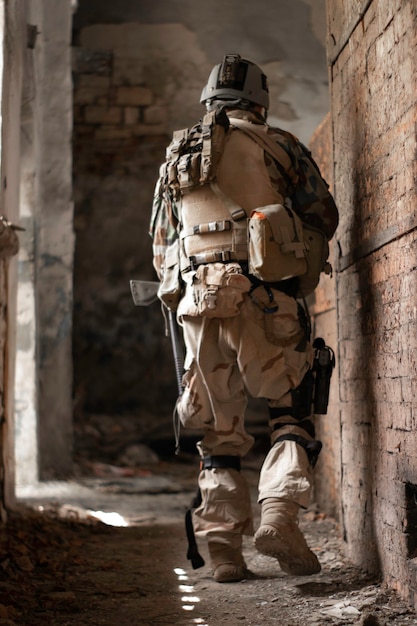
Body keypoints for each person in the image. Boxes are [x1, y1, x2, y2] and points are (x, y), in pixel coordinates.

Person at [149, 54, 339, 583]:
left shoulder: (178, 154)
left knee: (218, 433)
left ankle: (225, 551)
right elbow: (324, 214)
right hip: (267, 298)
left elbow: (162, 244)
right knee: (289, 414)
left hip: (197, 307)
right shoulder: (279, 144)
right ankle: (278, 515)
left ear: (210, 101)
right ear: (260, 101)